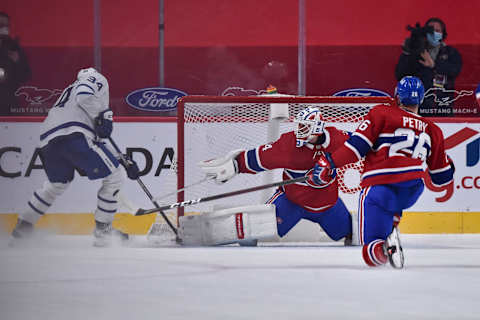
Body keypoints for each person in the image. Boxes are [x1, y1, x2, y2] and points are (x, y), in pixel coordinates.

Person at [311, 76, 455, 268]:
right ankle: (393, 221)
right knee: (394, 199)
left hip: (381, 185)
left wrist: (329, 163)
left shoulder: (382, 113)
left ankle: (382, 246)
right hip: (412, 189)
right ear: (421, 99)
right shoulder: (433, 130)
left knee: (370, 251)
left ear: (396, 96)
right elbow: (441, 179)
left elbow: (356, 148)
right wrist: (449, 165)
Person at [9, 67, 140, 247]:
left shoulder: (68, 92)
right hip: (73, 135)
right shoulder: (96, 78)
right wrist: (102, 115)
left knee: (57, 184)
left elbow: (96, 137)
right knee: (115, 176)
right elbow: (84, 95)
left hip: (48, 139)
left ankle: (23, 226)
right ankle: (103, 231)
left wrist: (120, 158)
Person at [199, 106, 355, 245]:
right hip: (291, 203)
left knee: (355, 235)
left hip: (328, 206)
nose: (300, 130)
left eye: (305, 126)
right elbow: (261, 157)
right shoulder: (289, 144)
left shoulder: (339, 139)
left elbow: (364, 143)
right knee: (252, 230)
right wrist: (235, 165)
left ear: (318, 128)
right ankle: (209, 231)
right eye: (299, 125)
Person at [395, 17, 462, 117]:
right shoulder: (417, 52)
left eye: (438, 31)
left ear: (443, 34)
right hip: (420, 107)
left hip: (444, 106)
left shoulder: (450, 52)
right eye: (431, 30)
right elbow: (400, 74)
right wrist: (408, 51)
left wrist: (434, 65)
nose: (434, 33)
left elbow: (455, 70)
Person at [0, 12, 31, 115]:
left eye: (6, 26)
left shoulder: (14, 47)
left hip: (9, 104)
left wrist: (17, 62)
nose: (4, 29)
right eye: (1, 25)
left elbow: (26, 76)